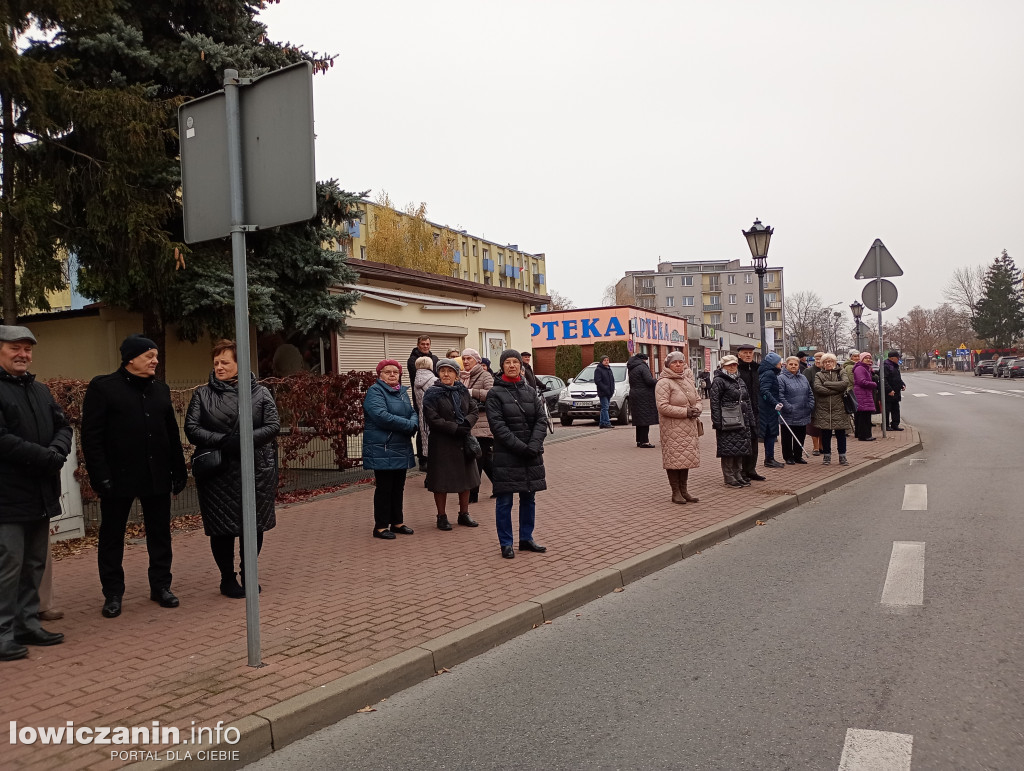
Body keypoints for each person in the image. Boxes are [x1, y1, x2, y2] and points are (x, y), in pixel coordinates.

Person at [82, 335, 188, 619]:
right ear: (130, 358)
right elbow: (91, 438)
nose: (155, 360)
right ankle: (113, 593)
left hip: (156, 475)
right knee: (112, 536)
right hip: (118, 478)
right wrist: (100, 476)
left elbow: (171, 436)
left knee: (160, 534)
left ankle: (161, 586)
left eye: (155, 356)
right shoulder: (103, 388)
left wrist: (179, 470)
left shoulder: (161, 390)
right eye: (149, 356)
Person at [184, 340, 279, 598]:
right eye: (216, 363)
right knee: (222, 528)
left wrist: (245, 439)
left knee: (254, 525)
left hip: (256, 470)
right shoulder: (202, 394)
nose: (219, 367)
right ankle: (227, 578)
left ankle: (249, 573)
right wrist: (224, 441)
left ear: (240, 364)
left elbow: (272, 425)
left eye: (225, 362)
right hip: (218, 472)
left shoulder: (261, 393)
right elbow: (192, 429)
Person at [0, 325, 72, 660]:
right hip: (7, 498)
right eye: (15, 348)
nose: (23, 355)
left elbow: (63, 425)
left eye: (28, 349)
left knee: (33, 563)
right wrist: (47, 458)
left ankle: (27, 623)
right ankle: (3, 632)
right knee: (8, 564)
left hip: (40, 494)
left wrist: (57, 451)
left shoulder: (41, 391)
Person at [485, 350, 548, 559]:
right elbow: (498, 427)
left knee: (528, 498)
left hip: (531, 454)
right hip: (507, 456)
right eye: (507, 362)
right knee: (504, 501)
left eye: (515, 362)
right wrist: (522, 447)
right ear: (502, 366)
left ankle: (526, 538)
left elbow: (541, 420)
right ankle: (506, 542)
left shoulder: (530, 391)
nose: (512, 366)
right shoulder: (495, 393)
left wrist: (534, 444)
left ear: (521, 366)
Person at [363, 360, 419, 540]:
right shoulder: (375, 392)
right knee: (384, 488)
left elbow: (412, 412)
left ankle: (397, 522)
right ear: (380, 375)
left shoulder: (402, 393)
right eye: (388, 372)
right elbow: (381, 416)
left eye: (396, 372)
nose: (392, 375)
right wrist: (408, 425)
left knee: (398, 487)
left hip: (401, 445)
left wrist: (413, 422)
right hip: (383, 447)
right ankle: (380, 526)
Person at [423, 359, 481, 530]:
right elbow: (432, 418)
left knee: (466, 479)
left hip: (463, 440)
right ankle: (441, 516)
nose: (446, 374)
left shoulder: (463, 391)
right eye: (442, 371)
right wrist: (454, 428)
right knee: (441, 481)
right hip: (442, 443)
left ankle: (464, 514)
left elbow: (474, 410)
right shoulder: (432, 393)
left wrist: (466, 424)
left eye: (450, 371)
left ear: (457, 374)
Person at [655, 351, 701, 503]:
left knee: (684, 460)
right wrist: (685, 412)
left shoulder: (687, 380)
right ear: (668, 365)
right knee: (674, 461)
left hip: (688, 427)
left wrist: (697, 409)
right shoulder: (663, 382)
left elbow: (698, 398)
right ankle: (675, 492)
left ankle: (684, 490)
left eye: (680, 362)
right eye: (674, 362)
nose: (678, 365)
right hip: (672, 428)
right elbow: (662, 407)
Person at [709, 355, 754, 488]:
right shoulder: (719, 381)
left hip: (741, 419)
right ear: (723, 366)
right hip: (727, 420)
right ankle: (729, 477)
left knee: (739, 449)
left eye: (734, 365)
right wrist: (717, 422)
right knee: (728, 450)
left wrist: (750, 419)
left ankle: (738, 474)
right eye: (729, 365)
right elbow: (714, 402)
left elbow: (747, 401)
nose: (733, 367)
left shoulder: (739, 380)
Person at [460, 348, 494, 503]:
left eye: (469, 359)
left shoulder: (485, 375)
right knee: (485, 460)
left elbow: (491, 394)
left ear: (477, 360)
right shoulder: (461, 376)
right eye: (464, 359)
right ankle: (501, 486)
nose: (466, 362)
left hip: (483, 424)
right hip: (468, 423)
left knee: (477, 460)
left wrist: (471, 391)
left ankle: (472, 494)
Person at [812, 353, 852, 465]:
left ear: (834, 362)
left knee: (840, 433)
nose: (828, 363)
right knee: (826, 434)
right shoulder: (819, 375)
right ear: (822, 364)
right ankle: (826, 456)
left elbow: (844, 384)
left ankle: (842, 456)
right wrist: (835, 391)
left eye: (830, 361)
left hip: (839, 408)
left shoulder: (841, 372)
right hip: (824, 409)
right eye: (825, 362)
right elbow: (818, 388)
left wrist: (827, 384)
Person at [406, 336, 437, 470]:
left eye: (427, 344)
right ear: (418, 345)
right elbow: (422, 375)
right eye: (423, 344)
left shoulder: (435, 358)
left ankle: (433, 456)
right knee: (422, 428)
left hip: (434, 399)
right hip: (420, 397)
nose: (425, 346)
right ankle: (423, 459)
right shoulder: (413, 360)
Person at [735, 344, 766, 481]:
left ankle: (751, 469)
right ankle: (741, 471)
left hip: (755, 409)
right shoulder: (736, 368)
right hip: (741, 410)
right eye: (745, 353)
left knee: (754, 440)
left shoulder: (756, 369)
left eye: (750, 353)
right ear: (739, 354)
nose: (748, 355)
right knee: (743, 440)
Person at [778, 356, 814, 465]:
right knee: (787, 437)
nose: (793, 366)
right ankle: (788, 456)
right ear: (786, 365)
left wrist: (810, 405)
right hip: (789, 413)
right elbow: (780, 395)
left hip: (803, 412)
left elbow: (810, 393)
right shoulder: (781, 378)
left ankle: (798, 455)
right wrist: (789, 407)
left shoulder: (803, 378)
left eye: (795, 364)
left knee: (800, 435)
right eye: (791, 364)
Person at [758, 351, 785, 468]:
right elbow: (764, 390)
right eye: (779, 362)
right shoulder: (769, 373)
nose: (781, 364)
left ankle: (770, 458)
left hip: (768, 407)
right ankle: (769, 459)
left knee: (771, 433)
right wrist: (775, 403)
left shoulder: (766, 372)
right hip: (768, 409)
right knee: (770, 433)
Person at [627, 352, 658, 448]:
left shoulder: (632, 367)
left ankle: (639, 440)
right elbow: (648, 381)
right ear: (643, 359)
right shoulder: (642, 367)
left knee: (639, 419)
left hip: (635, 394)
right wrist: (658, 381)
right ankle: (645, 441)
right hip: (644, 395)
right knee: (645, 419)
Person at [413, 357, 437, 477]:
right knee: (436, 446)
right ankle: (432, 477)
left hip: (422, 414)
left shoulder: (417, 379)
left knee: (427, 443)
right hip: (433, 415)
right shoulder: (433, 380)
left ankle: (429, 477)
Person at [852, 352, 878, 441]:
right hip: (862, 394)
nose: (868, 359)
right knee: (864, 416)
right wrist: (874, 384)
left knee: (862, 415)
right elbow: (862, 381)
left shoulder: (865, 368)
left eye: (870, 358)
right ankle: (864, 435)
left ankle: (860, 434)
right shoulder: (860, 368)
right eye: (866, 358)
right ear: (861, 359)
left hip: (863, 394)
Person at [803, 351, 824, 455]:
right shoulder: (809, 371)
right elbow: (805, 386)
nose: (818, 360)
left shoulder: (827, 371)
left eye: (820, 358)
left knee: (823, 425)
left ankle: (822, 446)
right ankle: (815, 447)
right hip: (813, 401)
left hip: (825, 402)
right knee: (813, 425)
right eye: (816, 358)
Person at [883, 350, 907, 431]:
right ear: (892, 358)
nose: (899, 359)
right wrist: (889, 390)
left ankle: (895, 424)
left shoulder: (895, 366)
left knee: (896, 409)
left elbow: (897, 378)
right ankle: (885, 425)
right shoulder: (886, 366)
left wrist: (902, 385)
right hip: (888, 393)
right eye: (898, 357)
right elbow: (884, 379)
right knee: (887, 409)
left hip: (896, 392)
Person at [594, 354, 615, 429]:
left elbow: (612, 381)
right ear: (601, 361)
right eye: (605, 360)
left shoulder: (609, 369)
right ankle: (606, 422)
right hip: (603, 392)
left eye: (607, 360)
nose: (606, 362)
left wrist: (612, 389)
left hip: (609, 392)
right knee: (605, 407)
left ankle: (602, 422)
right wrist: (605, 388)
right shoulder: (599, 370)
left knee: (605, 407)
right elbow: (598, 381)